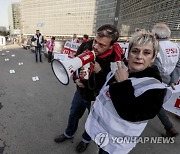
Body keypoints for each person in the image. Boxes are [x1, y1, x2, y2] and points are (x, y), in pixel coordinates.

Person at [85, 31, 172, 154]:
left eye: (146, 53)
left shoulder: (156, 88)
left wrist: (123, 84)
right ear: (128, 53)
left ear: (153, 58)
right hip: (100, 133)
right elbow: (105, 88)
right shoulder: (123, 69)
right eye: (135, 51)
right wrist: (97, 74)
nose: (139, 56)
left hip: (114, 145)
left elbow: (132, 114)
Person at [54, 24, 125, 153]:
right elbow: (74, 64)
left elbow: (112, 84)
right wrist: (76, 79)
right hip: (81, 91)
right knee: (74, 113)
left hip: (98, 97)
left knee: (92, 120)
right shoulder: (86, 45)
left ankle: (85, 140)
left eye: (101, 45)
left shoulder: (116, 58)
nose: (95, 46)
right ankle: (68, 133)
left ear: (111, 45)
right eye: (96, 41)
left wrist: (100, 71)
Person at [152, 23, 179, 137]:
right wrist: (173, 80)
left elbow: (157, 69)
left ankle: (169, 127)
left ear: (156, 35)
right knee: (156, 103)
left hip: (156, 80)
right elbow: (178, 65)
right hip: (166, 82)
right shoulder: (176, 46)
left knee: (155, 104)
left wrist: (168, 81)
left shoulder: (155, 47)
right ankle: (169, 127)